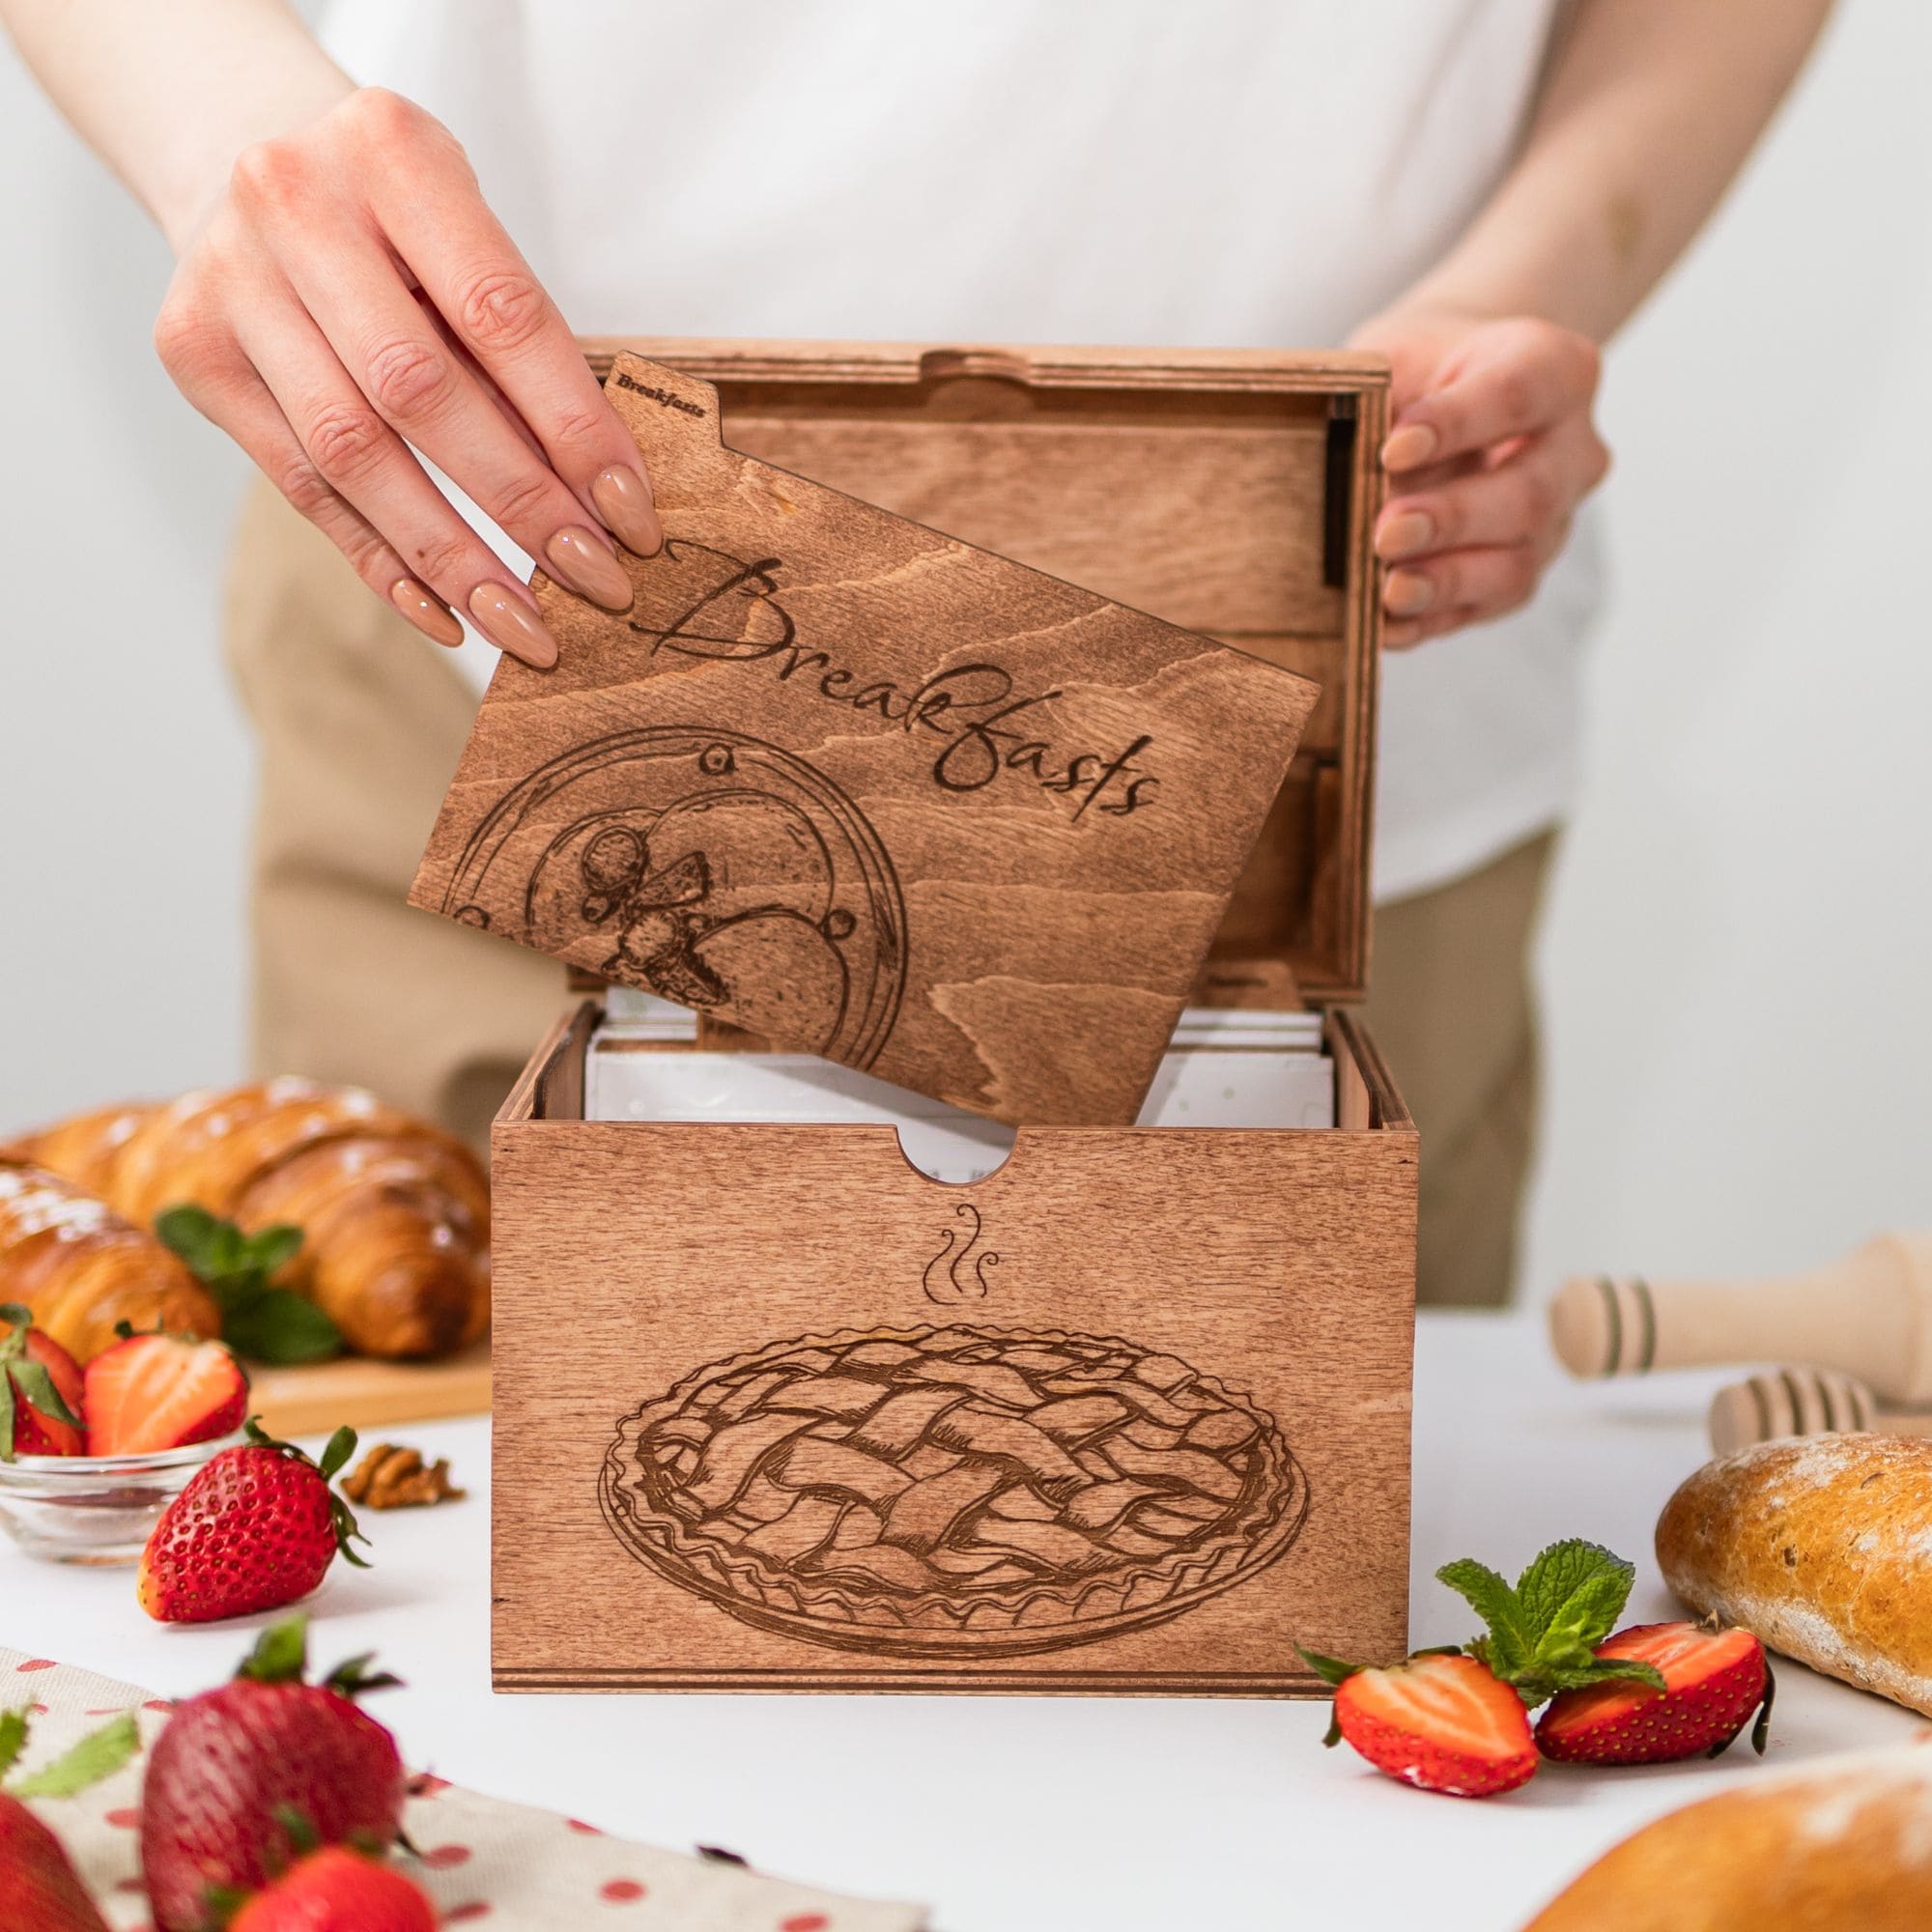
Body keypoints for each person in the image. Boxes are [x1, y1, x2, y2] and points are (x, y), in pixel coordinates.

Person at [2, 0, 1832, 1305]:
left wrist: (1525, 290)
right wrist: (220, 126)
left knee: (1301, 1703)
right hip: (494, 617)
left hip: (1331, 746)